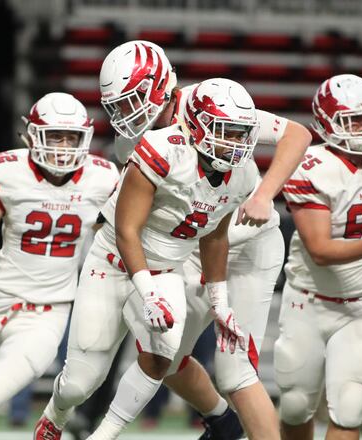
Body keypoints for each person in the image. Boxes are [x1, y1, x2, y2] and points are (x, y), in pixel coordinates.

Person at [95, 40, 310, 439]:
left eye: (136, 97)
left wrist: (264, 195)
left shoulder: (208, 103)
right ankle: (222, 420)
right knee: (163, 355)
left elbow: (296, 133)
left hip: (249, 241)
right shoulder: (134, 140)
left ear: (162, 85)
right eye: (121, 103)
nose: (129, 111)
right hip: (197, 244)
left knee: (234, 370)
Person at [35, 78, 263, 440]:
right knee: (80, 383)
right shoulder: (163, 150)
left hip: (166, 269)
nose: (236, 143)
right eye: (227, 131)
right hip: (112, 262)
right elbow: (127, 230)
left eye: (241, 133)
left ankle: (103, 436)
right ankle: (55, 414)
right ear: (198, 125)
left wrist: (220, 303)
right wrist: (148, 293)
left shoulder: (244, 174)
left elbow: (216, 235)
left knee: (163, 353)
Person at [0, 93, 119, 440]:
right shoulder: (10, 172)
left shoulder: (101, 178)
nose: (64, 147)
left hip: (48, 311)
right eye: (55, 136)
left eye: (72, 138)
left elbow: (114, 235)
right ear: (32, 135)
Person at [273, 74, 362, 440]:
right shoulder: (312, 166)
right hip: (310, 301)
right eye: (353, 119)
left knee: (348, 408)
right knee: (296, 404)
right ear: (326, 124)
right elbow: (319, 249)